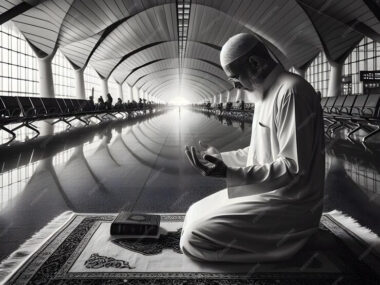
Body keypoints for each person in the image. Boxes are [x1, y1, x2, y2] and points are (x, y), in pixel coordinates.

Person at [181, 33, 325, 263]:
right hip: (268, 191)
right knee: (192, 214)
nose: (235, 85)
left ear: (255, 64)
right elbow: (258, 152)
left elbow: (292, 168)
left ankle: (295, 242)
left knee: (193, 237)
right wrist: (220, 158)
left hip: (290, 202)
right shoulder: (264, 94)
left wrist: (230, 174)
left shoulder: (291, 92)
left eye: (235, 77)